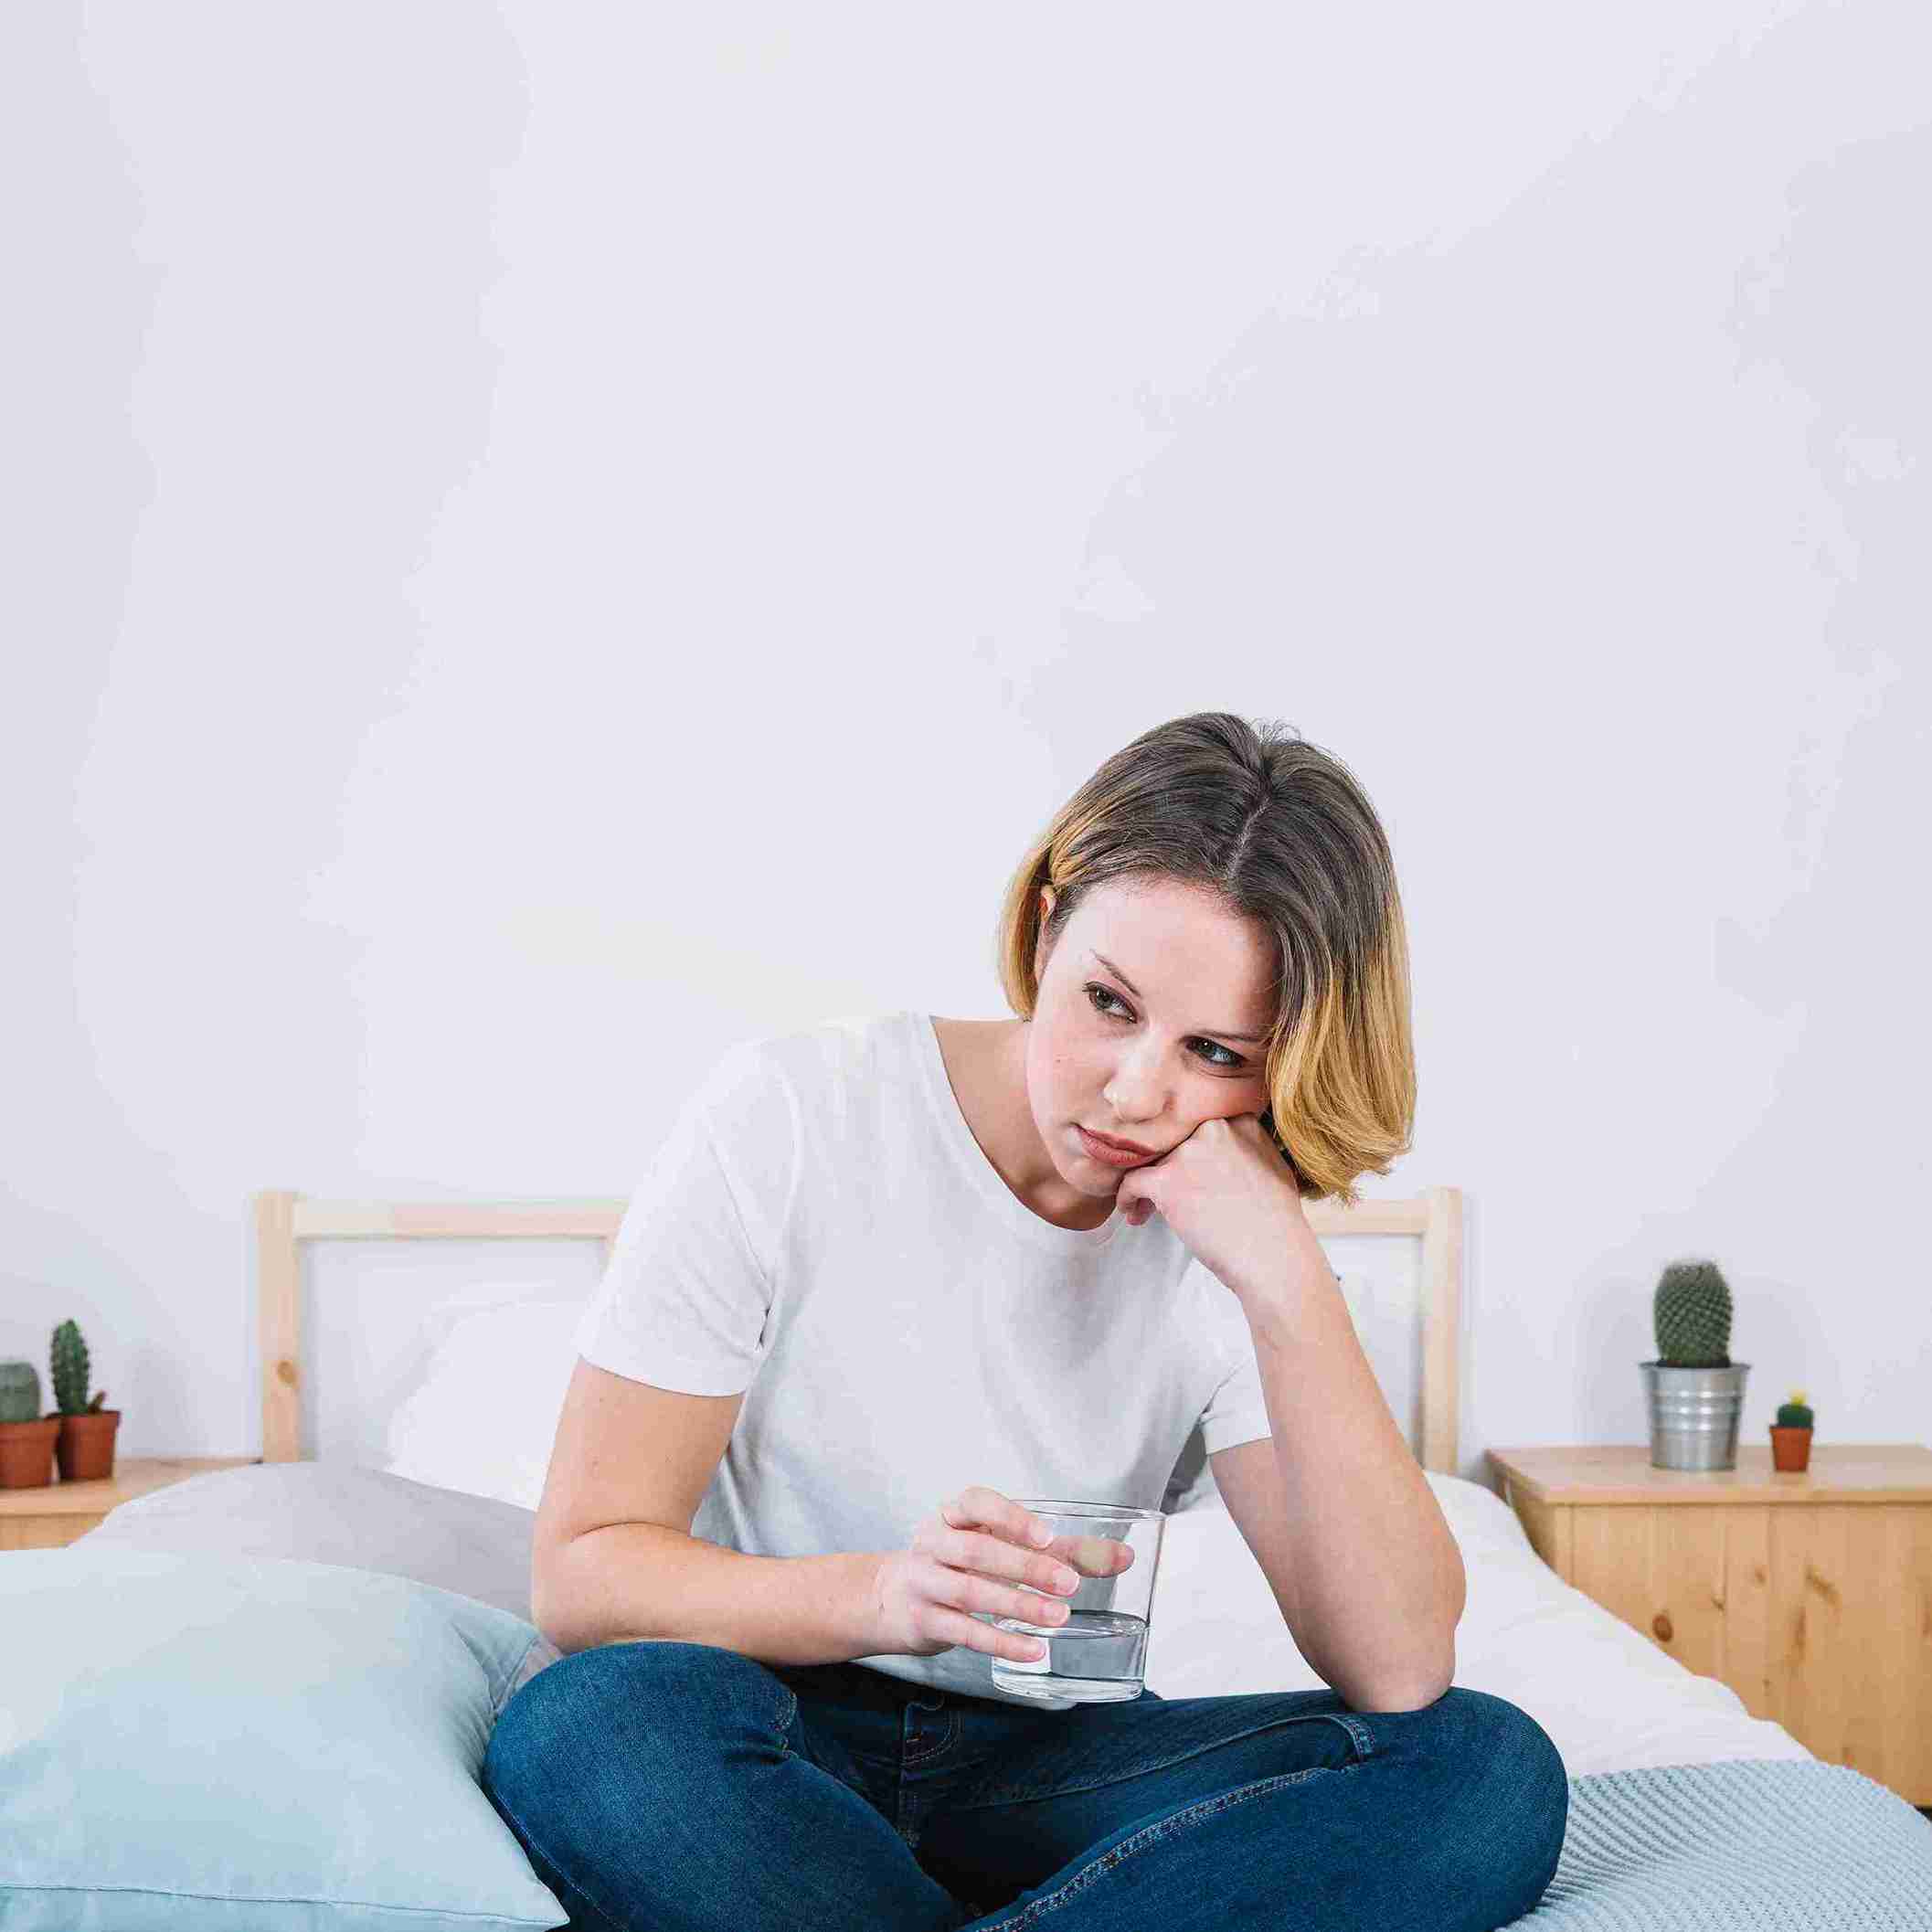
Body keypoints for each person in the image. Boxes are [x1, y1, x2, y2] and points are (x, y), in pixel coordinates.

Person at [482, 711, 1569, 1931]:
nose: (1137, 1090)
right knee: (587, 1728)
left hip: (1052, 1763)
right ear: (1047, 925)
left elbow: (1397, 1667)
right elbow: (582, 1570)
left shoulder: (1232, 1229)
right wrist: (888, 1595)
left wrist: (1287, 1281)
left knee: (1482, 1773)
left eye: (1214, 1050)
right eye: (1109, 1002)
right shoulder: (793, 1115)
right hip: (764, 1719)